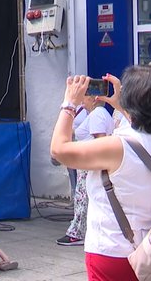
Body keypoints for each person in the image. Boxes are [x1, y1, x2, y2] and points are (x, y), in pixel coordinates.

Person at [50, 67, 151, 280]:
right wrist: (121, 104)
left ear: (131, 103)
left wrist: (69, 103)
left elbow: (59, 150)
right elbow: (144, 134)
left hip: (115, 252)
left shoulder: (116, 147)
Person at [57, 96, 114, 246]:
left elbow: (99, 140)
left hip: (90, 164)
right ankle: (81, 230)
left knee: (82, 198)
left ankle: (77, 232)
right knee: (84, 198)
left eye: (86, 98)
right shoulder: (96, 114)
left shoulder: (97, 114)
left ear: (94, 99)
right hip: (88, 164)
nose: (83, 101)